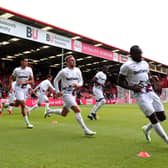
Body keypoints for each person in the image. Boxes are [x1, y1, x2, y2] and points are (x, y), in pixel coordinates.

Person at [118, 45, 168, 143]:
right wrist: (132, 88)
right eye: (138, 53)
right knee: (152, 117)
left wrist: (152, 79)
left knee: (162, 117)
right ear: (132, 54)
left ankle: (146, 129)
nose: (141, 55)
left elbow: (147, 75)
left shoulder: (145, 63)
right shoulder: (126, 66)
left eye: (141, 53)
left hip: (150, 91)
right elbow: (120, 81)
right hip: (140, 94)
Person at [44, 55, 96, 136]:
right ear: (67, 62)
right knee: (77, 110)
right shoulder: (63, 71)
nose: (73, 61)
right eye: (71, 60)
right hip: (65, 94)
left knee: (64, 113)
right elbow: (55, 80)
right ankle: (85, 129)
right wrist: (57, 91)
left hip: (73, 94)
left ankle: (50, 111)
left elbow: (81, 82)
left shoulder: (78, 70)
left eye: (74, 60)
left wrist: (77, 85)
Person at [2, 57, 34, 128]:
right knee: (23, 104)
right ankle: (27, 123)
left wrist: (25, 82)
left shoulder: (29, 69)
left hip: (25, 89)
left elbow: (32, 81)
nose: (26, 63)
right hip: (18, 88)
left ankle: (5, 105)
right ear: (21, 62)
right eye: (25, 61)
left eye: (27, 61)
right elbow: (11, 78)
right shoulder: (17, 70)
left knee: (17, 104)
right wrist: (11, 86)